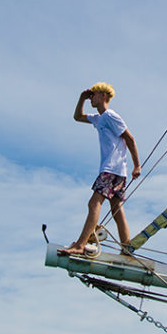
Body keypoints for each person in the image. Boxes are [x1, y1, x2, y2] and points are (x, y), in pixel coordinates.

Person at [58, 82, 141, 257]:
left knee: (94, 203)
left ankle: (80, 245)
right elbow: (78, 117)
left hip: (111, 169)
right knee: (117, 210)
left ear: (103, 96)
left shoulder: (110, 116)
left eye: (93, 95)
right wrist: (81, 98)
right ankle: (126, 249)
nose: (91, 99)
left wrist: (137, 165)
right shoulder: (99, 118)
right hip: (118, 171)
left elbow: (130, 139)